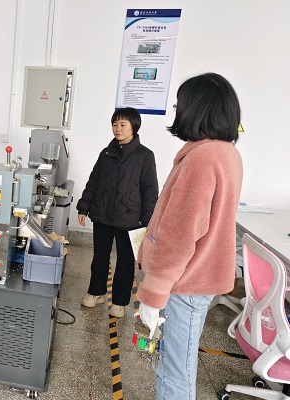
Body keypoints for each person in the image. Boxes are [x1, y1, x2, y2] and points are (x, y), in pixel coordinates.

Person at [136, 72, 243, 399]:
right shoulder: (226, 153)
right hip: (196, 280)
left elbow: (179, 236)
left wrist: (153, 293)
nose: (177, 110)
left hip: (184, 284)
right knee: (176, 366)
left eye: (179, 105)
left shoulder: (202, 159)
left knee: (174, 373)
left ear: (197, 108)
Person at [77, 107, 158, 318]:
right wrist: (84, 207)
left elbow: (150, 191)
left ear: (134, 127)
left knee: (125, 262)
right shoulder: (106, 153)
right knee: (100, 257)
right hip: (102, 214)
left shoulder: (145, 156)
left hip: (130, 218)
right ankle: (96, 292)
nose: (117, 129)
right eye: (115, 124)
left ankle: (120, 302)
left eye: (122, 125)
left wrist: (147, 221)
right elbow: (94, 182)